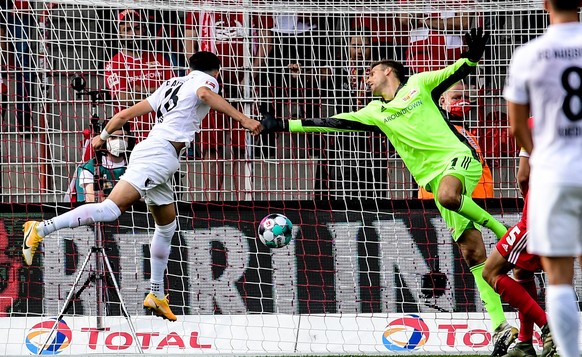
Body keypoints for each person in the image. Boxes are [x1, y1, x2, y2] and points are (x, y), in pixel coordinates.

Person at [262, 28, 518, 356]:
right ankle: (500, 326)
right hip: (434, 178)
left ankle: (505, 233)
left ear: (388, 71)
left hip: (458, 161)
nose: (367, 77)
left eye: (372, 71)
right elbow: (332, 122)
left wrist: (473, 55)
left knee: (447, 196)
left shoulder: (420, 84)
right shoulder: (374, 112)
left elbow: (458, 70)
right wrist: (283, 125)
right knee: (474, 255)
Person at [22, 51, 262, 321]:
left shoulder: (172, 83)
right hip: (158, 156)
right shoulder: (207, 82)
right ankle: (40, 229)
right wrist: (244, 119)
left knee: (167, 224)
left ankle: (156, 294)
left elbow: (123, 114)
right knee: (110, 209)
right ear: (215, 71)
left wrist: (101, 137)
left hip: (154, 152)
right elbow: (206, 95)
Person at [504, 1, 582, 356]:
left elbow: (518, 126)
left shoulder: (528, 54)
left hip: (555, 177)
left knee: (559, 279)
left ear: (545, 4)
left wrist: (540, 155)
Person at [184, 9, 271, 200]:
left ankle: (244, 203)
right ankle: (211, 202)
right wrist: (199, 76)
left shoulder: (253, 4)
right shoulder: (201, 6)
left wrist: (251, 73)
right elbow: (189, 39)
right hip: (209, 86)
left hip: (246, 86)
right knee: (211, 148)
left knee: (243, 146)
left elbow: (266, 37)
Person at [482, 150, 556, 357]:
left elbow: (523, 175)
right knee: (522, 272)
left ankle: (547, 326)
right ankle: (524, 344)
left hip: (539, 207)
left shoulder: (533, 123)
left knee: (490, 272)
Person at [104, 9, 174, 141]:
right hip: (131, 134)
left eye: (137, 28)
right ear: (119, 33)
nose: (133, 34)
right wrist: (155, 93)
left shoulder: (159, 59)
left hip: (163, 131)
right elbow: (123, 98)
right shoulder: (114, 63)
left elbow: (172, 93)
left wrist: (138, 90)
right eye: (127, 29)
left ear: (143, 29)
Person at [418, 81, 494, 199]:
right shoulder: (437, 130)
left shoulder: (464, 131)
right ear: (442, 101)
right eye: (456, 97)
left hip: (476, 202)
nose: (463, 101)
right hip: (450, 205)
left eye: (466, 97)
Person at [399, 0, 471, 74]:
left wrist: (424, 22)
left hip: (452, 57)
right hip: (420, 56)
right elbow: (405, 19)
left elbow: (463, 23)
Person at [74, 123, 132, 203]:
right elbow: (94, 200)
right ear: (104, 140)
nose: (118, 141)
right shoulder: (90, 168)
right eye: (113, 137)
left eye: (123, 137)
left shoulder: (134, 165)